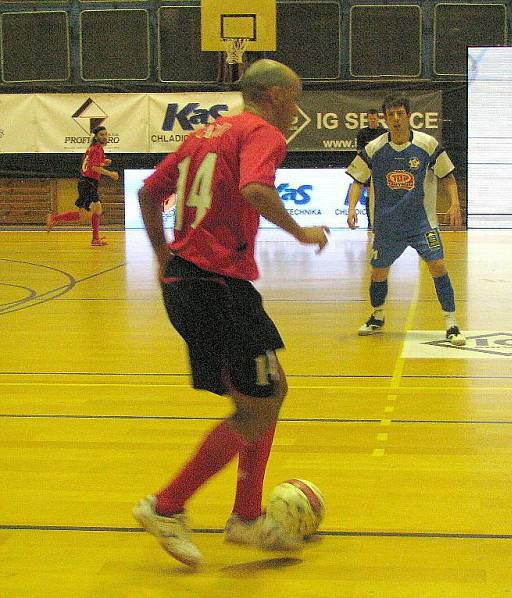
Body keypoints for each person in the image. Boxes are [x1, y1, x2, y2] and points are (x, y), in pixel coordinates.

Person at [134, 58, 329, 568]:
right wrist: (301, 231)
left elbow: (149, 191)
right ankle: (167, 505)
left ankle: (245, 517)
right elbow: (256, 190)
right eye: (296, 98)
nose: (298, 110)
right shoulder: (263, 132)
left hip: (189, 282)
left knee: (270, 390)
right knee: (256, 407)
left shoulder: (204, 134)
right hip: (218, 285)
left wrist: (161, 256)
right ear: (276, 97)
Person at [346, 94, 466, 347]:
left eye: (400, 114)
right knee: (378, 272)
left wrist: (454, 203)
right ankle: (377, 316)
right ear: (385, 119)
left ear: (409, 116)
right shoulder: (374, 148)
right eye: (391, 115)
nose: (396, 119)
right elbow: (357, 180)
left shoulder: (427, 144)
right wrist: (352, 208)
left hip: (422, 224)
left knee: (438, 266)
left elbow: (448, 177)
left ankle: (451, 324)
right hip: (387, 226)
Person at [46, 126, 117, 246]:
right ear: (96, 136)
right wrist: (110, 174)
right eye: (102, 135)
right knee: (86, 214)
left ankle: (95, 239)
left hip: (88, 183)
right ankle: (54, 218)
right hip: (88, 183)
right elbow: (94, 167)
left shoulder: (93, 148)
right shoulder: (97, 149)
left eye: (106, 134)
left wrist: (104, 162)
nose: (104, 137)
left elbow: (90, 164)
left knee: (93, 210)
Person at [354, 109, 386, 229]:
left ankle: (382, 222)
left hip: (382, 166)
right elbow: (359, 151)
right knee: (369, 193)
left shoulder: (384, 133)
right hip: (368, 167)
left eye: (374, 118)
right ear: (367, 119)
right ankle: (370, 222)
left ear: (378, 118)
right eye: (370, 118)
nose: (372, 120)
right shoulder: (362, 133)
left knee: (381, 195)